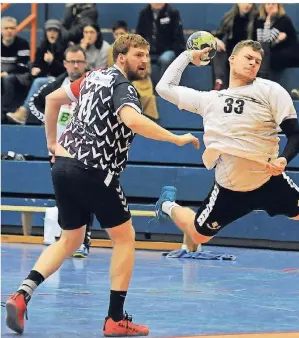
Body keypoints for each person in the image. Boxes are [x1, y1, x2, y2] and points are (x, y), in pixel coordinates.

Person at [5, 33, 199, 336]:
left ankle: (22, 294)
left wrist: (52, 144)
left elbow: (52, 99)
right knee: (124, 238)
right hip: (93, 170)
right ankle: (115, 318)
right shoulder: (123, 86)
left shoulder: (93, 77)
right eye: (138, 55)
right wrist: (175, 138)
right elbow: (133, 120)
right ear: (121, 57)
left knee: (70, 239)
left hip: (63, 166)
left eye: (146, 55)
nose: (144, 60)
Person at [154, 39, 299, 248]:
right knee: (199, 235)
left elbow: (297, 137)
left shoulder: (271, 91)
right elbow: (164, 88)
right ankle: (167, 204)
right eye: (248, 58)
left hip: (267, 180)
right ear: (232, 59)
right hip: (229, 187)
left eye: (258, 61)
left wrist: (284, 159)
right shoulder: (210, 100)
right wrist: (187, 56)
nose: (253, 63)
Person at [28, 45, 92, 258]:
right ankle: (68, 238)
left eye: (79, 61)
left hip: (85, 149)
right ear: (65, 64)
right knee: (64, 195)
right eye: (72, 61)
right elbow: (34, 104)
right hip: (59, 149)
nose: (75, 65)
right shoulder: (55, 86)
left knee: (85, 194)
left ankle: (83, 239)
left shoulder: (92, 86)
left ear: (85, 63)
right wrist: (51, 125)